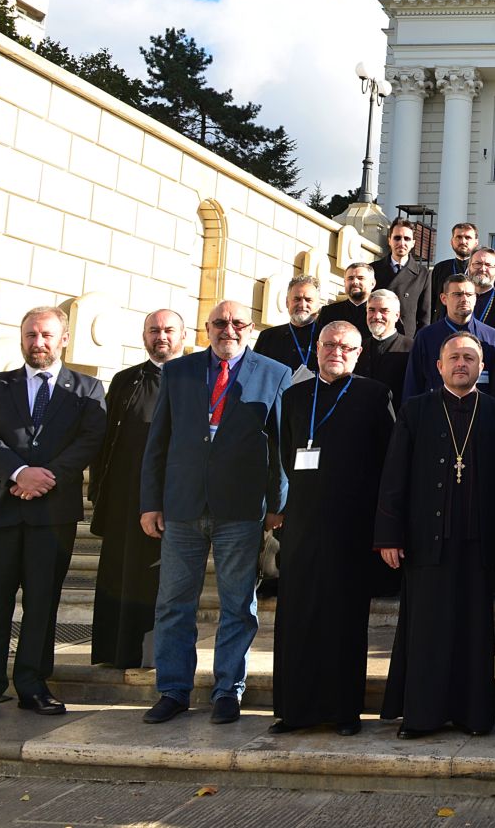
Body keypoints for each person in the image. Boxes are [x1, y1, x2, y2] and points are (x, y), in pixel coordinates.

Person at [139, 300, 292, 725]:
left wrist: (278, 504)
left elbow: (280, 445)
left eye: (237, 323)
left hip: (241, 509)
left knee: (239, 605)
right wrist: (150, 502)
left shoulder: (274, 373)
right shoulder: (179, 371)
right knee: (173, 604)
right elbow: (159, 442)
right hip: (182, 507)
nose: (229, 329)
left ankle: (228, 689)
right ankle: (173, 689)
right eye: (220, 323)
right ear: (206, 328)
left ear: (252, 327)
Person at [0, 306, 107, 722]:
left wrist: (45, 478)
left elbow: (90, 440)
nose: (37, 343)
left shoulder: (88, 389)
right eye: (30, 335)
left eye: (46, 335)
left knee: (43, 603)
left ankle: (31, 685)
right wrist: (20, 472)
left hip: (52, 511)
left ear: (64, 339)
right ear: (22, 338)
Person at [375, 332, 495, 738]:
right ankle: (422, 716)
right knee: (426, 630)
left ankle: (474, 715)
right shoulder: (415, 411)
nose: (461, 364)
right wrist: (388, 533)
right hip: (425, 539)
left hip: (478, 542)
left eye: (470, 358)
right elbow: (394, 476)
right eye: (453, 357)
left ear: (481, 367)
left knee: (474, 631)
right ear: (438, 366)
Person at [269, 321, 394, 736]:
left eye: (345, 346)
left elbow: (386, 462)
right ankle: (294, 710)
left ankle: (343, 711)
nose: (336, 351)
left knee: (344, 620)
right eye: (329, 344)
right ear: (317, 349)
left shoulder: (374, 396)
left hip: (351, 526)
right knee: (297, 617)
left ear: (358, 353)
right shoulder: (294, 395)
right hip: (303, 523)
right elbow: (288, 455)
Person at [89, 309, 185, 670]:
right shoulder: (125, 379)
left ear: (182, 334)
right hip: (122, 497)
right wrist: (99, 491)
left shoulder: (194, 377)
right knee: (117, 573)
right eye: (154, 330)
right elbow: (106, 439)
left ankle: (150, 656)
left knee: (155, 580)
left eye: (168, 330)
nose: (161, 336)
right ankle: (115, 653)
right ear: (144, 336)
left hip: (170, 498)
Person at [402, 274, 495, 401]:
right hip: (435, 410)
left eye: (469, 294)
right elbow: (413, 382)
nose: (464, 299)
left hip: (479, 411)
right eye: (458, 294)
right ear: (444, 299)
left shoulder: (492, 337)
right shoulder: (426, 336)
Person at [373, 218, 436, 336]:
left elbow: (424, 317)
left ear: (413, 243)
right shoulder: (373, 270)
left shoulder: (424, 274)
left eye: (407, 239)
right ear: (389, 241)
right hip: (378, 335)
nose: (402, 243)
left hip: (406, 341)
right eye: (397, 238)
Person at [251, 276, 323, 379]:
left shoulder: (328, 338)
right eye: (297, 299)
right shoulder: (267, 336)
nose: (302, 305)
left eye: (308, 300)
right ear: (287, 302)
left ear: (318, 305)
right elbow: (255, 374)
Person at [356, 289, 412, 405]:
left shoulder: (412, 348)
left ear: (397, 316)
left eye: (384, 311)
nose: (376, 316)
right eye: (371, 310)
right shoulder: (357, 347)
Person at [316, 262, 375, 341]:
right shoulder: (328, 312)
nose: (355, 282)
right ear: (344, 283)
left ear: (372, 283)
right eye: (350, 278)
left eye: (360, 278)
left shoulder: (379, 313)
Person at [432, 222, 480, 313]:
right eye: (459, 237)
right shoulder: (440, 268)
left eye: (468, 238)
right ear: (451, 241)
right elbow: (432, 301)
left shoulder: (481, 270)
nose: (463, 241)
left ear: (476, 242)